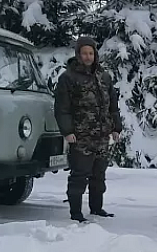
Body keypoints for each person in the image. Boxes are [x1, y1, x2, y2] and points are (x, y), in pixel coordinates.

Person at [54, 36, 122, 222]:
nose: (88, 56)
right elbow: (62, 108)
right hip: (80, 136)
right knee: (79, 175)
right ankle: (75, 212)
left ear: (95, 55)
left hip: (101, 136)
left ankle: (97, 208)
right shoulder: (68, 78)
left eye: (91, 53)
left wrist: (116, 127)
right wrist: (67, 131)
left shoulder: (104, 77)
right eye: (84, 53)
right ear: (78, 54)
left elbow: (113, 105)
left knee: (98, 175)